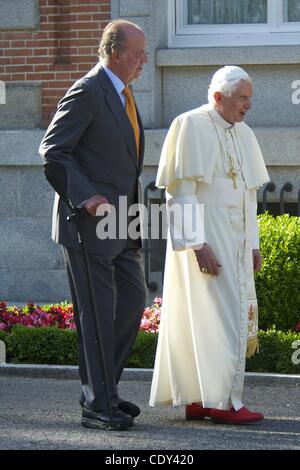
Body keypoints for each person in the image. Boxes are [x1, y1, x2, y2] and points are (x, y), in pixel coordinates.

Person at [39, 19, 148, 430]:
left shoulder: (123, 93)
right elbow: (52, 151)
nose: (143, 61)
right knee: (98, 313)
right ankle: (98, 405)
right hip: (87, 223)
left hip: (121, 224)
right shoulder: (88, 90)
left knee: (133, 300)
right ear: (114, 53)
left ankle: (105, 390)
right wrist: (85, 197)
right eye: (137, 54)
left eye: (145, 53)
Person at [149, 66, 270, 425]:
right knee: (214, 316)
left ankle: (203, 398)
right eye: (242, 98)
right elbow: (179, 190)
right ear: (218, 98)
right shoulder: (189, 124)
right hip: (205, 236)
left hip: (235, 237)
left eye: (250, 98)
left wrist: (253, 244)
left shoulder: (244, 132)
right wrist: (197, 245)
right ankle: (221, 403)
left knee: (223, 315)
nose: (248, 106)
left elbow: (249, 194)